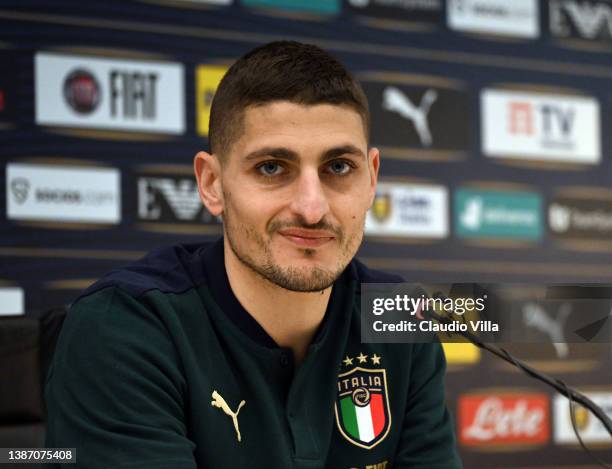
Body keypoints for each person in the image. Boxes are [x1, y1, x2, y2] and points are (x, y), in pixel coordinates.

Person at [45, 40, 462, 468]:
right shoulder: (123, 326)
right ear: (211, 183)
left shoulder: (398, 316)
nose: (312, 207)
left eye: (338, 167)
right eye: (271, 168)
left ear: (371, 179)